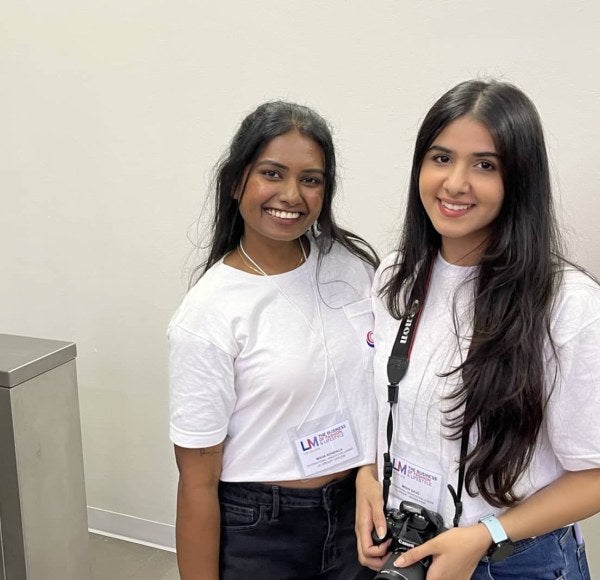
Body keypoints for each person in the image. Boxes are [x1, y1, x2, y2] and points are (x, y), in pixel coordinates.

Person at [356, 80, 600, 579]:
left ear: (520, 181)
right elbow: (380, 399)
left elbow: (595, 475)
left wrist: (485, 535)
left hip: (514, 561)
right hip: (412, 548)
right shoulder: (395, 276)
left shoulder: (567, 303)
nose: (454, 183)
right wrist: (367, 476)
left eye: (485, 165)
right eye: (441, 158)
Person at [169, 101, 378, 580]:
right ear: (236, 181)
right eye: (272, 173)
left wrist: (370, 472)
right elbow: (197, 484)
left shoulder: (351, 268)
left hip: (357, 510)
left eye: (311, 179)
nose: (292, 194)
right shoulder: (208, 312)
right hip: (261, 527)